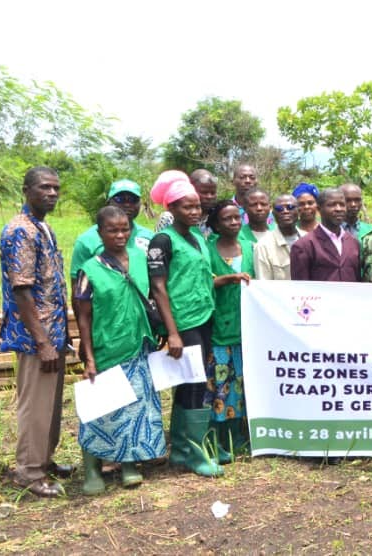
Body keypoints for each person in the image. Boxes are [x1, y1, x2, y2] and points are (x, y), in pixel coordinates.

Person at [74, 206, 165, 495]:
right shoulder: (89, 270)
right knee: (101, 409)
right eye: (112, 230)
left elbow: (154, 292)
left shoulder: (139, 258)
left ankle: (128, 463)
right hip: (107, 346)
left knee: (134, 408)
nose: (120, 235)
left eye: (124, 229)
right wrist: (89, 357)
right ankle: (92, 469)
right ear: (100, 233)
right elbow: (83, 317)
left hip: (138, 343)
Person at [0, 166, 70, 498]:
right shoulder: (20, 231)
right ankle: (28, 472)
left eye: (56, 188)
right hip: (35, 337)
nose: (52, 193)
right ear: (26, 190)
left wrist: (60, 335)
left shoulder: (43, 227)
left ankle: (44, 460)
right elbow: (22, 290)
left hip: (53, 332)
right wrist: (42, 341)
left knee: (50, 405)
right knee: (35, 405)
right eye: (44, 187)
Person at [147, 170, 224, 478]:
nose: (194, 211)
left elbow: (200, 278)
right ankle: (194, 453)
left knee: (191, 382)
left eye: (197, 206)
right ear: (171, 208)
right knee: (193, 384)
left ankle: (181, 449)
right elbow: (158, 287)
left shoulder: (197, 238)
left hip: (203, 317)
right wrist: (172, 333)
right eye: (186, 206)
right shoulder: (163, 240)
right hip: (183, 321)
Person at [206, 200, 254, 464]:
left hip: (247, 329)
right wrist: (229, 279)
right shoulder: (207, 249)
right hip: (219, 329)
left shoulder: (250, 247)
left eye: (237, 217)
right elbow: (203, 282)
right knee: (220, 385)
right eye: (227, 218)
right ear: (216, 223)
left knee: (241, 384)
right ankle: (218, 439)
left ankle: (238, 437)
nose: (234, 222)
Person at [70, 179, 154, 286]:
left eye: (133, 199)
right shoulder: (87, 240)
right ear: (108, 203)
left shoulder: (149, 237)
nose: (127, 204)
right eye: (120, 199)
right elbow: (77, 284)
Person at [289, 188, 362, 282]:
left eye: (342, 205)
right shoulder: (303, 246)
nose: (338, 209)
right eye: (332, 205)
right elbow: (300, 286)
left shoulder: (353, 243)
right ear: (319, 209)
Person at [156, 169, 219, 236]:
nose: (209, 197)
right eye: (204, 192)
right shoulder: (169, 218)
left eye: (213, 193)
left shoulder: (218, 216)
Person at [254, 194, 300, 280]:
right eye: (279, 209)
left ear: (299, 210)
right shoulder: (263, 246)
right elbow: (263, 284)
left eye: (290, 207)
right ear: (273, 214)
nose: (285, 211)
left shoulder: (310, 241)